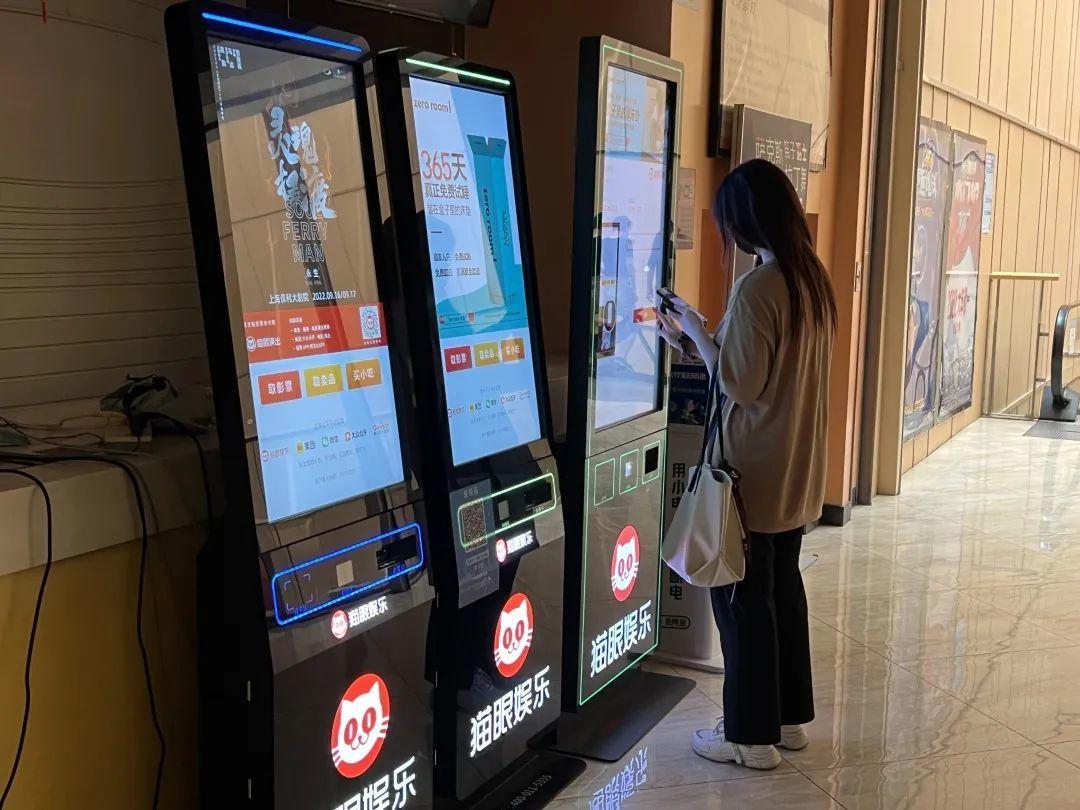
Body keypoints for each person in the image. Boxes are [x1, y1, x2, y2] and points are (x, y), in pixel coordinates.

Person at [657, 158, 836, 770]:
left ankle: (748, 738)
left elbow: (740, 383)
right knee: (783, 591)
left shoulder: (758, 287)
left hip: (750, 475)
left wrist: (694, 329)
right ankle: (785, 721)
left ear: (745, 222)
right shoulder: (811, 277)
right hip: (794, 467)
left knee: (740, 604)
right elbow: (765, 374)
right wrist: (698, 340)